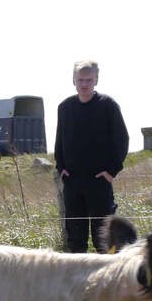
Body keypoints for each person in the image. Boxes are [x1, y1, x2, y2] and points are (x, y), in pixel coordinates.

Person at [54, 60, 129, 253]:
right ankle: (77, 282)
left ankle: (107, 281)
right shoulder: (65, 107)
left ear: (96, 80)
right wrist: (60, 167)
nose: (84, 84)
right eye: (80, 80)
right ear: (74, 80)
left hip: (99, 182)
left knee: (104, 239)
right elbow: (59, 140)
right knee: (75, 239)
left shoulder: (108, 105)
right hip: (72, 182)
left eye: (89, 80)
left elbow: (121, 140)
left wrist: (112, 171)